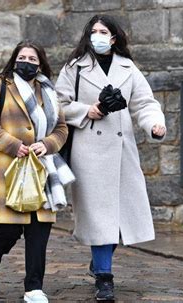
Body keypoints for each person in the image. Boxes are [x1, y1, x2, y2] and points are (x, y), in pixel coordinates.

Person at [55, 15, 166, 301]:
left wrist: (155, 124)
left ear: (114, 37)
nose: (98, 36)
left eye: (103, 31)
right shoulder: (74, 68)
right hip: (89, 152)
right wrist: (86, 111)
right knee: (99, 217)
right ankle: (104, 277)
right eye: (93, 32)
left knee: (120, 217)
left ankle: (98, 263)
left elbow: (144, 103)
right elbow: (58, 106)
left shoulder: (128, 68)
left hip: (121, 152)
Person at [0, 40, 68, 303]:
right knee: (8, 230)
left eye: (32, 58)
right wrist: (13, 145)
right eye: (22, 57)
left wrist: (47, 144)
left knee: (39, 231)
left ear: (40, 63)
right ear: (14, 59)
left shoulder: (48, 90)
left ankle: (34, 288)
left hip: (42, 169)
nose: (26, 62)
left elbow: (61, 129)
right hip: (9, 165)